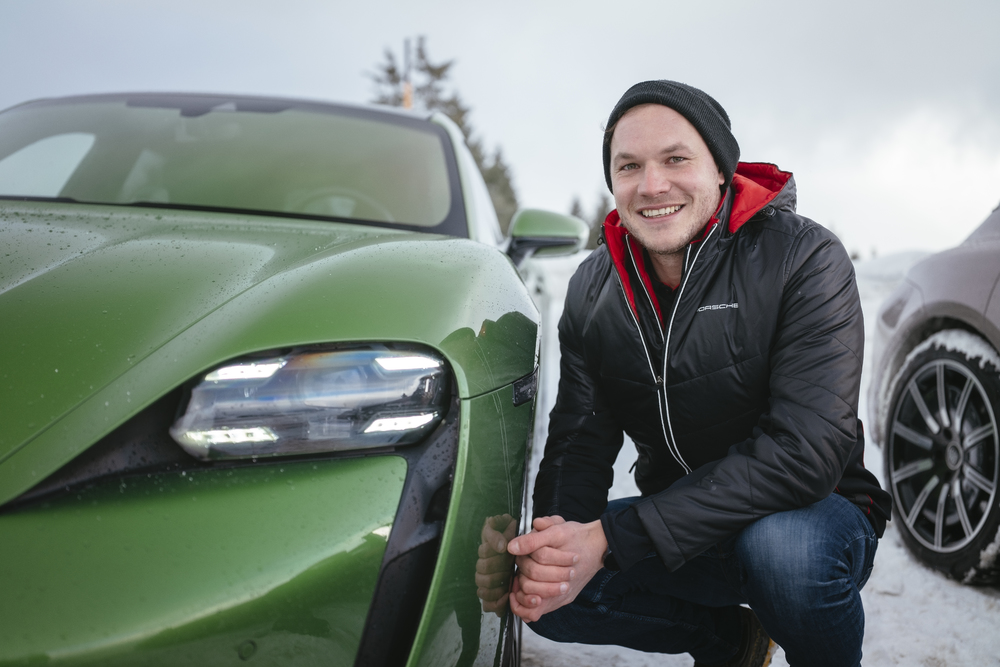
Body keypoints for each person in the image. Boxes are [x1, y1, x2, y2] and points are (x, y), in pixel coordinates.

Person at [506, 80, 891, 667]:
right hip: (683, 523)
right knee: (548, 591)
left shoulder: (803, 258)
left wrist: (612, 538)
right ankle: (731, 643)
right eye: (629, 166)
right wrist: (555, 546)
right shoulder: (593, 288)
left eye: (675, 159)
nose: (652, 185)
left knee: (784, 553)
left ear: (720, 169)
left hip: (813, 516)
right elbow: (579, 442)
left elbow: (805, 453)